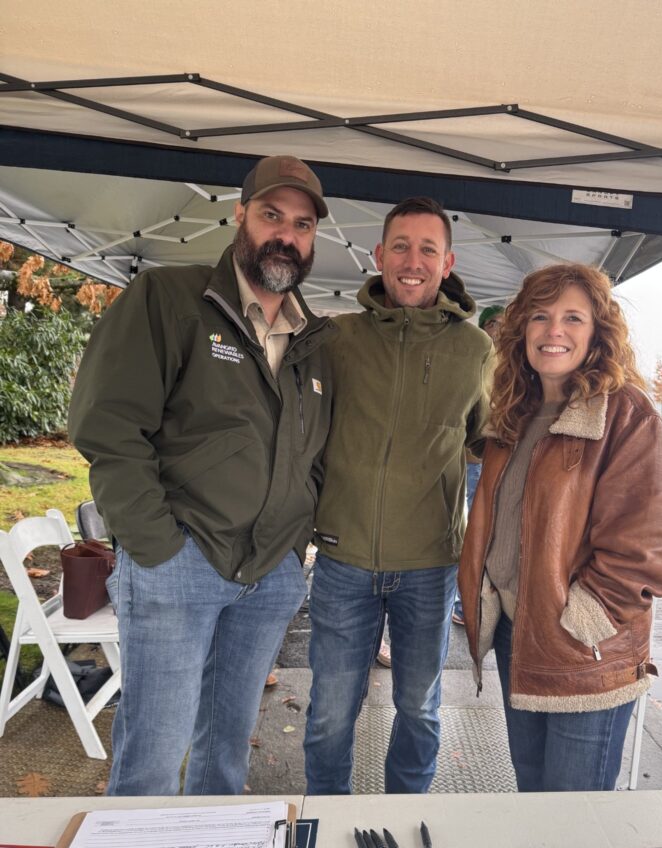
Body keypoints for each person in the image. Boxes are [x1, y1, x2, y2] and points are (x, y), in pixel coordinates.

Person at [69, 155, 336, 795]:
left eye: (302, 225)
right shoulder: (169, 299)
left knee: (225, 757)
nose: (287, 235)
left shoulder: (314, 341)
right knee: (153, 759)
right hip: (179, 565)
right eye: (272, 215)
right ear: (240, 215)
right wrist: (156, 547)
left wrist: (296, 543)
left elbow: (316, 450)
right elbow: (106, 424)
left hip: (268, 573)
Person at [458, 263, 662, 792]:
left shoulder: (625, 416)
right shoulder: (515, 410)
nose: (554, 330)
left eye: (573, 317)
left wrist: (581, 621)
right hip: (521, 635)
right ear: (522, 330)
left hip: (584, 651)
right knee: (532, 790)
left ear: (597, 332)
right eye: (540, 315)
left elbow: (645, 553)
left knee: (573, 815)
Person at [304, 196, 493, 794]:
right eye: (402, 247)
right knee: (331, 715)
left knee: (419, 710)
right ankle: (322, 823)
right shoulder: (336, 339)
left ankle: (405, 819)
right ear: (380, 255)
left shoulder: (474, 349)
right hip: (342, 560)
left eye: (428, 249)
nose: (413, 261)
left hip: (429, 567)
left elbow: (487, 445)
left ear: (447, 262)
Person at [452, 304, 505, 626]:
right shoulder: (476, 359)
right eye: (495, 323)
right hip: (474, 459)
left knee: (493, 531)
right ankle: (464, 603)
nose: (501, 329)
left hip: (496, 459)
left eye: (506, 324)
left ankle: (482, 600)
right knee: (476, 530)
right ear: (484, 327)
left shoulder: (515, 364)